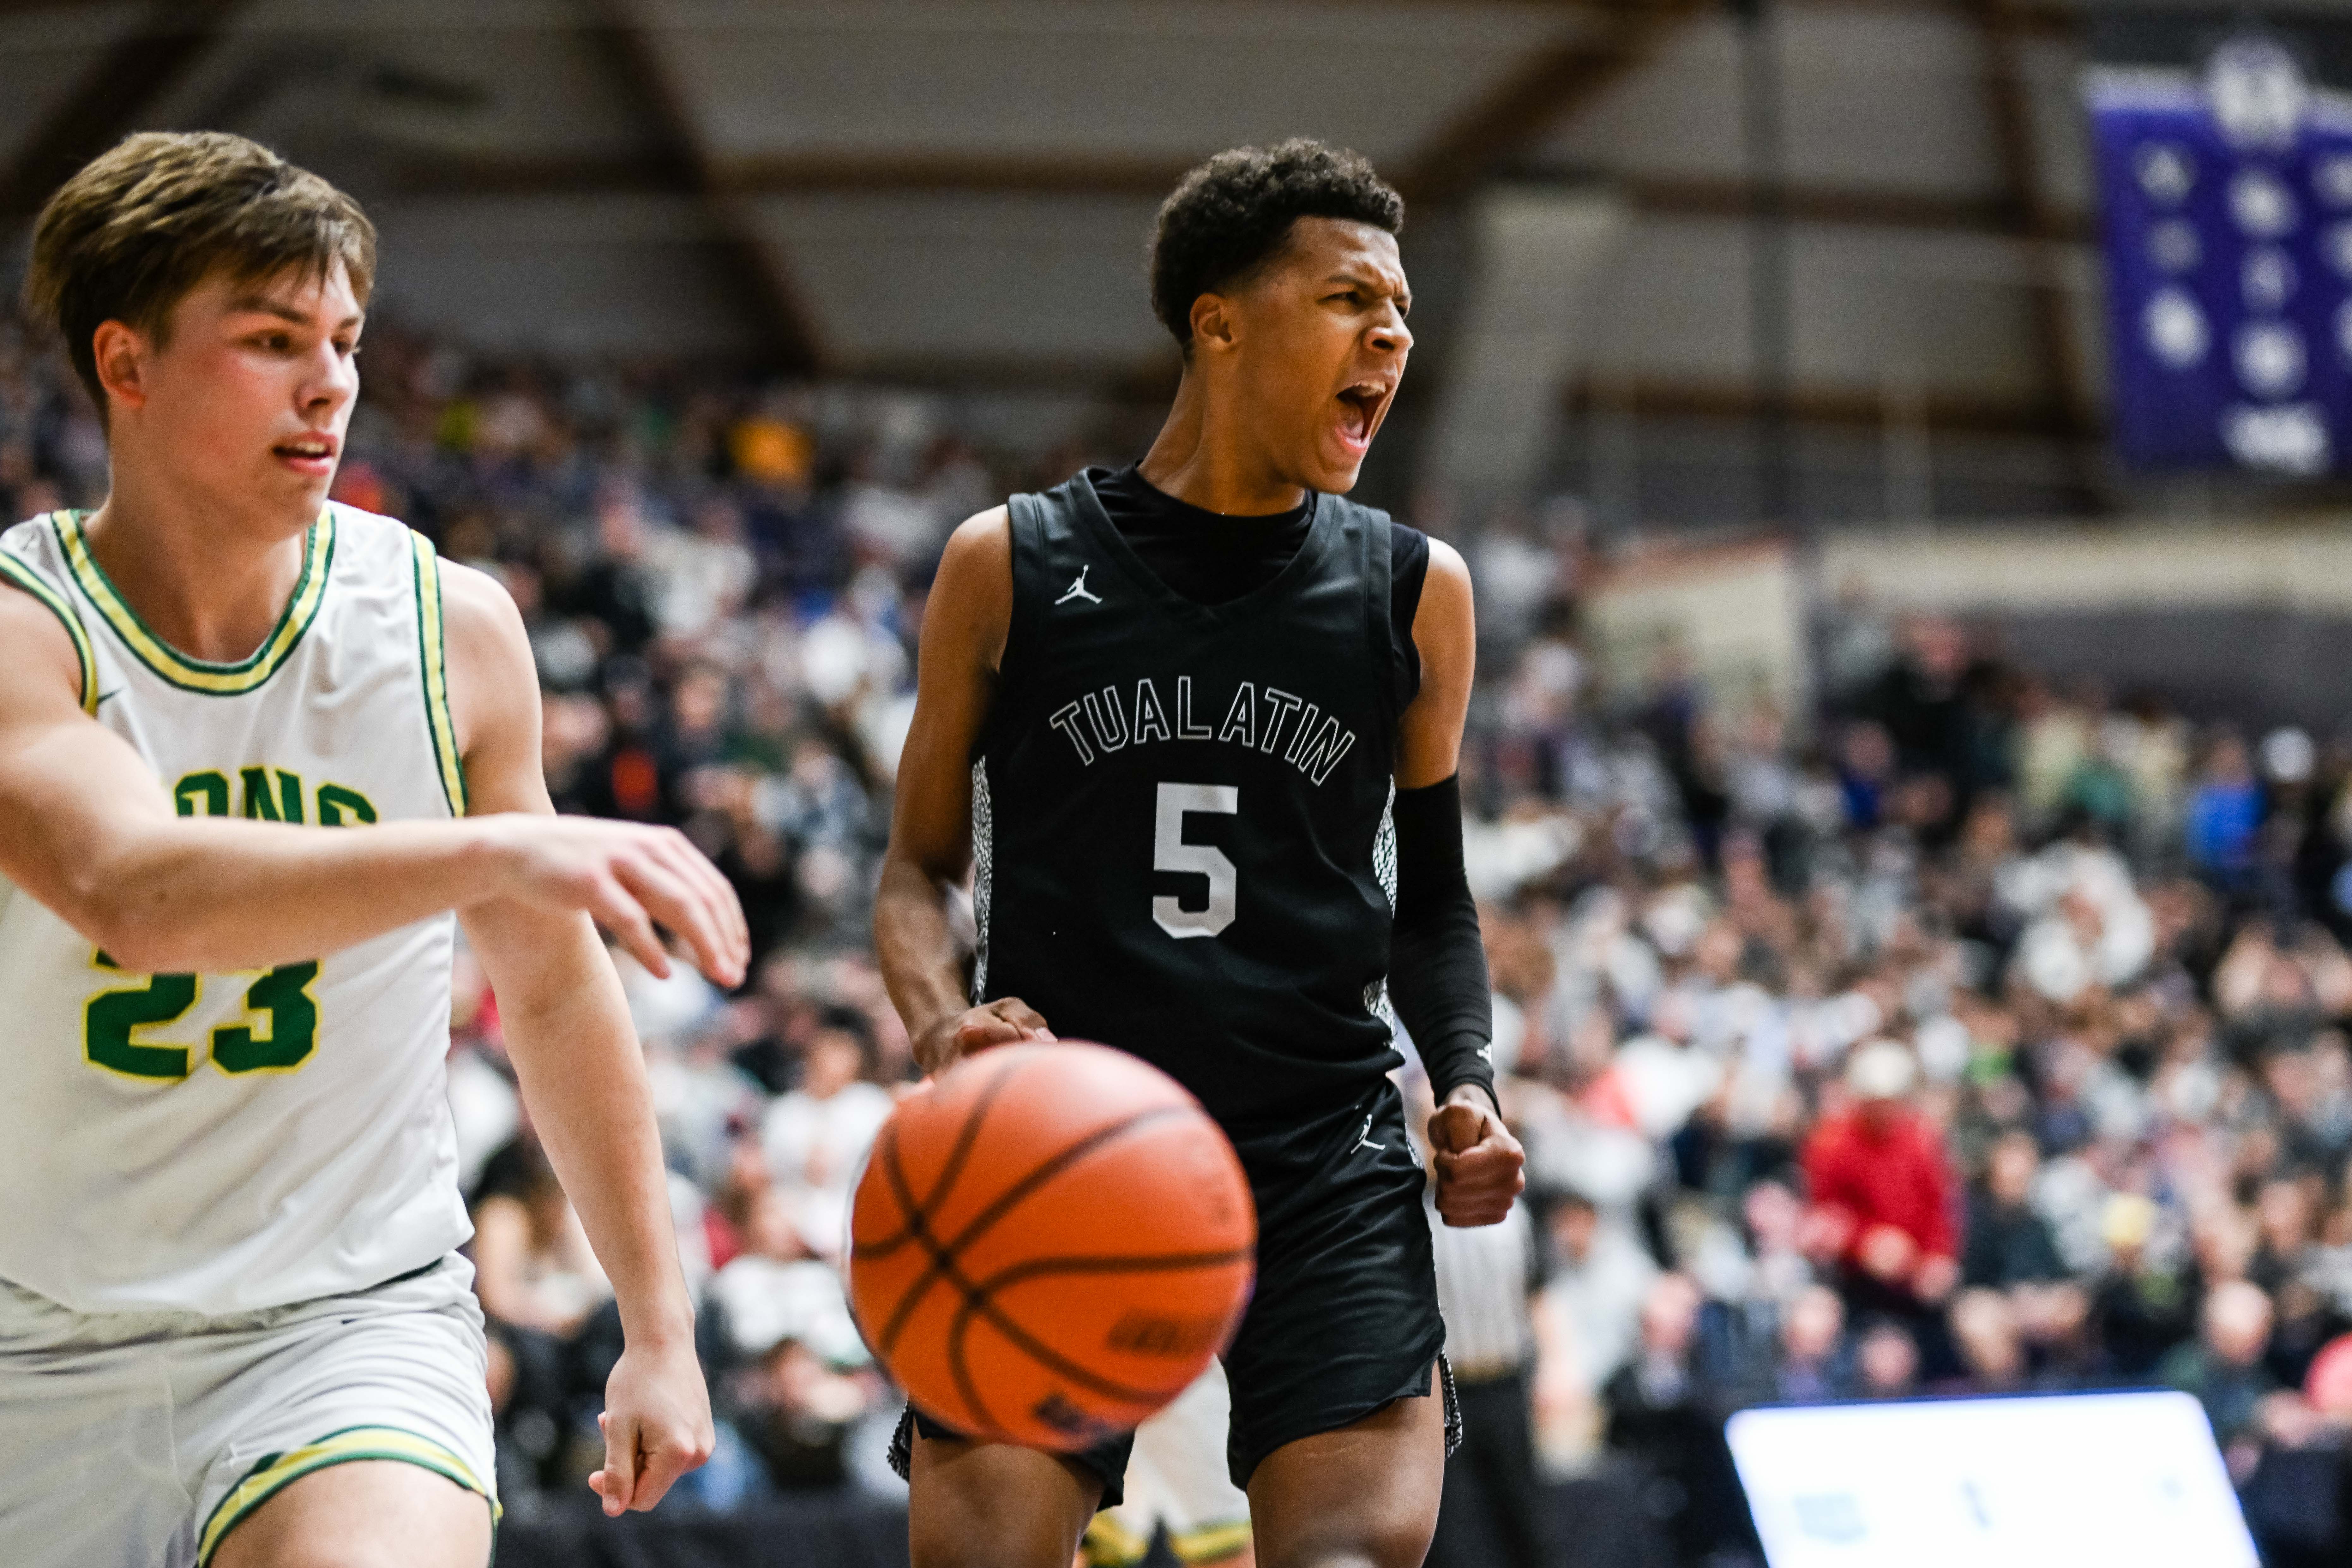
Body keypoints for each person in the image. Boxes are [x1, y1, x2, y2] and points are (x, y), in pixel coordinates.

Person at [0, 132, 749, 1568]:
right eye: (273, 339)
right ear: (127, 363)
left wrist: (659, 1326)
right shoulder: (29, 629)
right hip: (37, 1341)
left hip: (343, 1327)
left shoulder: (446, 626)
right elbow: (131, 890)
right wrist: (489, 855)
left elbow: (551, 988)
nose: (331, 381)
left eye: (344, 338)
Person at [873, 139, 1525, 1568]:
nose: (1394, 338)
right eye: (1353, 300)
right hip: (1059, 1139)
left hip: (1320, 1152)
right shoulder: (1010, 563)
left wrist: (1465, 1084)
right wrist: (941, 1026)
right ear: (1217, 320)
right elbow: (913, 874)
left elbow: (1434, 906)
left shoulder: (1416, 592)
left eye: (1403, 315)